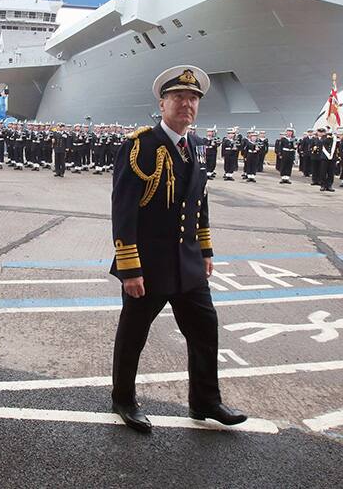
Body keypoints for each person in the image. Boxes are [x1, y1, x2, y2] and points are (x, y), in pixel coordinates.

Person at [110, 64, 247, 433]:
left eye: (193, 99)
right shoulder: (140, 146)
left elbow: (199, 202)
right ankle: (123, 398)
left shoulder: (198, 146)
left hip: (187, 264)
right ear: (163, 103)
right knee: (133, 335)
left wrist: (205, 250)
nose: (187, 104)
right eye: (179, 97)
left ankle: (205, 400)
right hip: (148, 266)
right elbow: (123, 212)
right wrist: (130, 269)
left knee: (205, 329)